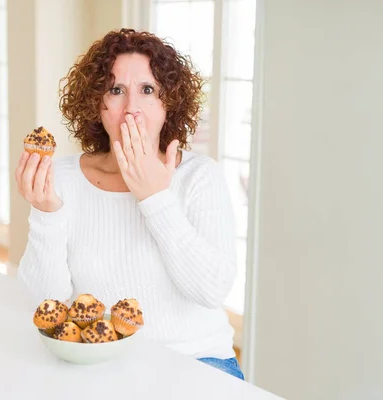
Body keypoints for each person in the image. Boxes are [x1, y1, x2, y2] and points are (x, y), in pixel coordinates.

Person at [15, 28, 243, 380]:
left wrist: (156, 199)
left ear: (169, 103)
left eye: (148, 90)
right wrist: (46, 214)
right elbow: (47, 304)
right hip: (98, 362)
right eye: (116, 89)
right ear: (96, 103)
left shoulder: (200, 177)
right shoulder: (62, 177)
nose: (132, 107)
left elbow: (211, 290)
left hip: (195, 362)